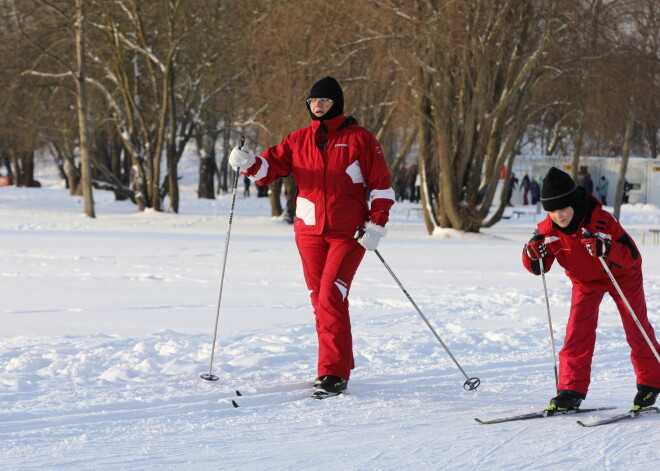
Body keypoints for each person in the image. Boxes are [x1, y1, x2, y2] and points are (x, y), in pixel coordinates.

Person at [229, 76, 395, 396]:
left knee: (331, 295)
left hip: (349, 234)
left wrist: (376, 223)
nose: (318, 106)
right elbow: (267, 171)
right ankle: (334, 365)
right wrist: (248, 162)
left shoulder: (360, 138)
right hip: (309, 231)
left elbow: (382, 184)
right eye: (313, 102)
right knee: (320, 300)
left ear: (337, 104)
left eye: (325, 101)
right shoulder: (298, 139)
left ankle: (334, 372)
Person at [522, 167, 660, 411]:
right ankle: (570, 390)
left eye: (562, 208)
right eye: (552, 210)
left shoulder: (602, 221)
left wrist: (606, 248)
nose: (558, 215)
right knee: (577, 332)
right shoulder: (548, 231)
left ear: (574, 202)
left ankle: (651, 383)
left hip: (621, 276)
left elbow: (631, 256)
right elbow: (539, 267)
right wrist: (531, 255)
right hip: (585, 282)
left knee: (635, 327)